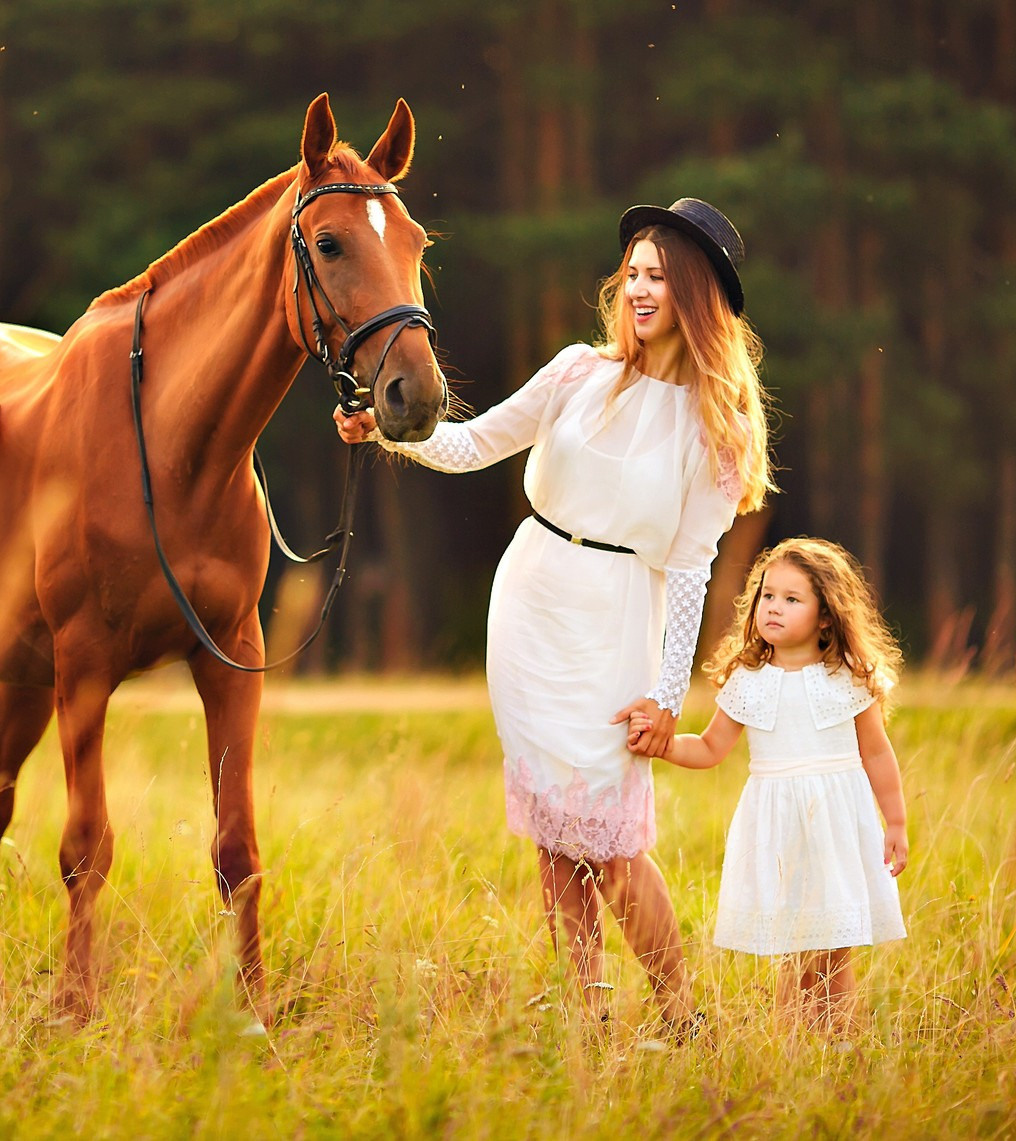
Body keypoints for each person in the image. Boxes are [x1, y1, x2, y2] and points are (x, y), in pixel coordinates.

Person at [336, 198, 771, 1027]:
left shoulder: (720, 425)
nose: (639, 291)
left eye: (658, 278)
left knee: (608, 836)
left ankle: (681, 1016)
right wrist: (388, 432)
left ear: (696, 295)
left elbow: (690, 568)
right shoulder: (578, 370)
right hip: (531, 598)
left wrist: (669, 697)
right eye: (633, 274)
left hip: (614, 620)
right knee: (551, 822)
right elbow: (472, 443)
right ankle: (587, 1011)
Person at [632, 537, 908, 1033]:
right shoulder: (748, 679)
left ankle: (838, 1042)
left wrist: (897, 821)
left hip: (837, 825)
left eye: (792, 599)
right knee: (793, 945)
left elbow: (877, 752)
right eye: (767, 595)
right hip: (779, 826)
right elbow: (711, 748)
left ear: (827, 615)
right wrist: (663, 744)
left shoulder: (848, 678)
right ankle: (793, 1048)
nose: (774, 607)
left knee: (834, 942)